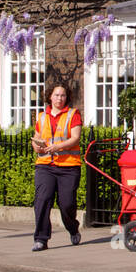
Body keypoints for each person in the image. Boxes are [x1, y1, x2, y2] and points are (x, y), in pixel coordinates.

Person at [30, 84, 83, 251]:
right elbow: (37, 137)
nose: (60, 98)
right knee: (42, 201)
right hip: (45, 166)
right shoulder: (41, 116)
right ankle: (41, 239)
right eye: (57, 95)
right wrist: (36, 146)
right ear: (50, 97)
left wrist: (57, 147)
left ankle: (73, 228)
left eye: (63, 95)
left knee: (66, 203)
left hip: (68, 166)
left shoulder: (73, 114)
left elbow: (75, 138)